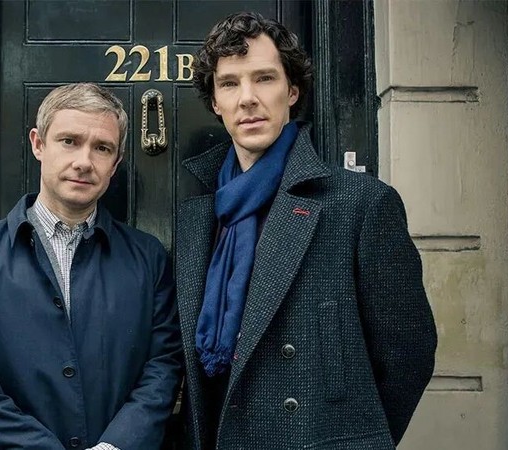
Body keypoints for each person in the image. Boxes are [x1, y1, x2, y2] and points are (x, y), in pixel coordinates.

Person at [175, 12, 437, 449]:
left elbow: (408, 353)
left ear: (292, 91)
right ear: (216, 102)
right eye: (230, 84)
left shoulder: (361, 204)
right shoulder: (197, 216)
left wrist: (354, 440)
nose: (248, 99)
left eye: (264, 79)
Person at [0, 83, 182, 450]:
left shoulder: (148, 257)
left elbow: (163, 365)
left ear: (115, 164)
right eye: (69, 141)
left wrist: (115, 446)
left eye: (102, 148)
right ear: (38, 144)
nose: (84, 161)